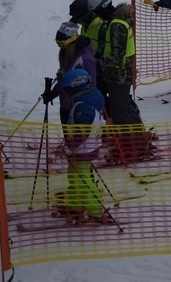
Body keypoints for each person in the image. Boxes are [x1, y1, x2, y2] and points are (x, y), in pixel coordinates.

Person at [84, 0, 151, 163]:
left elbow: (117, 56)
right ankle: (138, 142)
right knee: (126, 108)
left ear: (105, 8)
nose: (98, 16)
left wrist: (100, 63)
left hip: (118, 76)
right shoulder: (115, 22)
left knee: (120, 114)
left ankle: (132, 147)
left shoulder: (117, 25)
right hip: (119, 74)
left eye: (99, 12)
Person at [57, 68, 111, 224]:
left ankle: (95, 210)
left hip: (82, 149)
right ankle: (75, 205)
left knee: (83, 180)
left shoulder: (82, 107)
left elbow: (81, 133)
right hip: (87, 147)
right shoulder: (91, 96)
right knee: (75, 178)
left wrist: (69, 148)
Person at [43, 21, 97, 125]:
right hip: (66, 106)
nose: (60, 47)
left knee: (79, 140)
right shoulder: (65, 53)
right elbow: (65, 78)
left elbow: (92, 85)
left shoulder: (86, 58)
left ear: (71, 40)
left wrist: (82, 106)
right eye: (57, 43)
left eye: (61, 44)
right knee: (69, 139)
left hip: (80, 109)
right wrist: (53, 93)